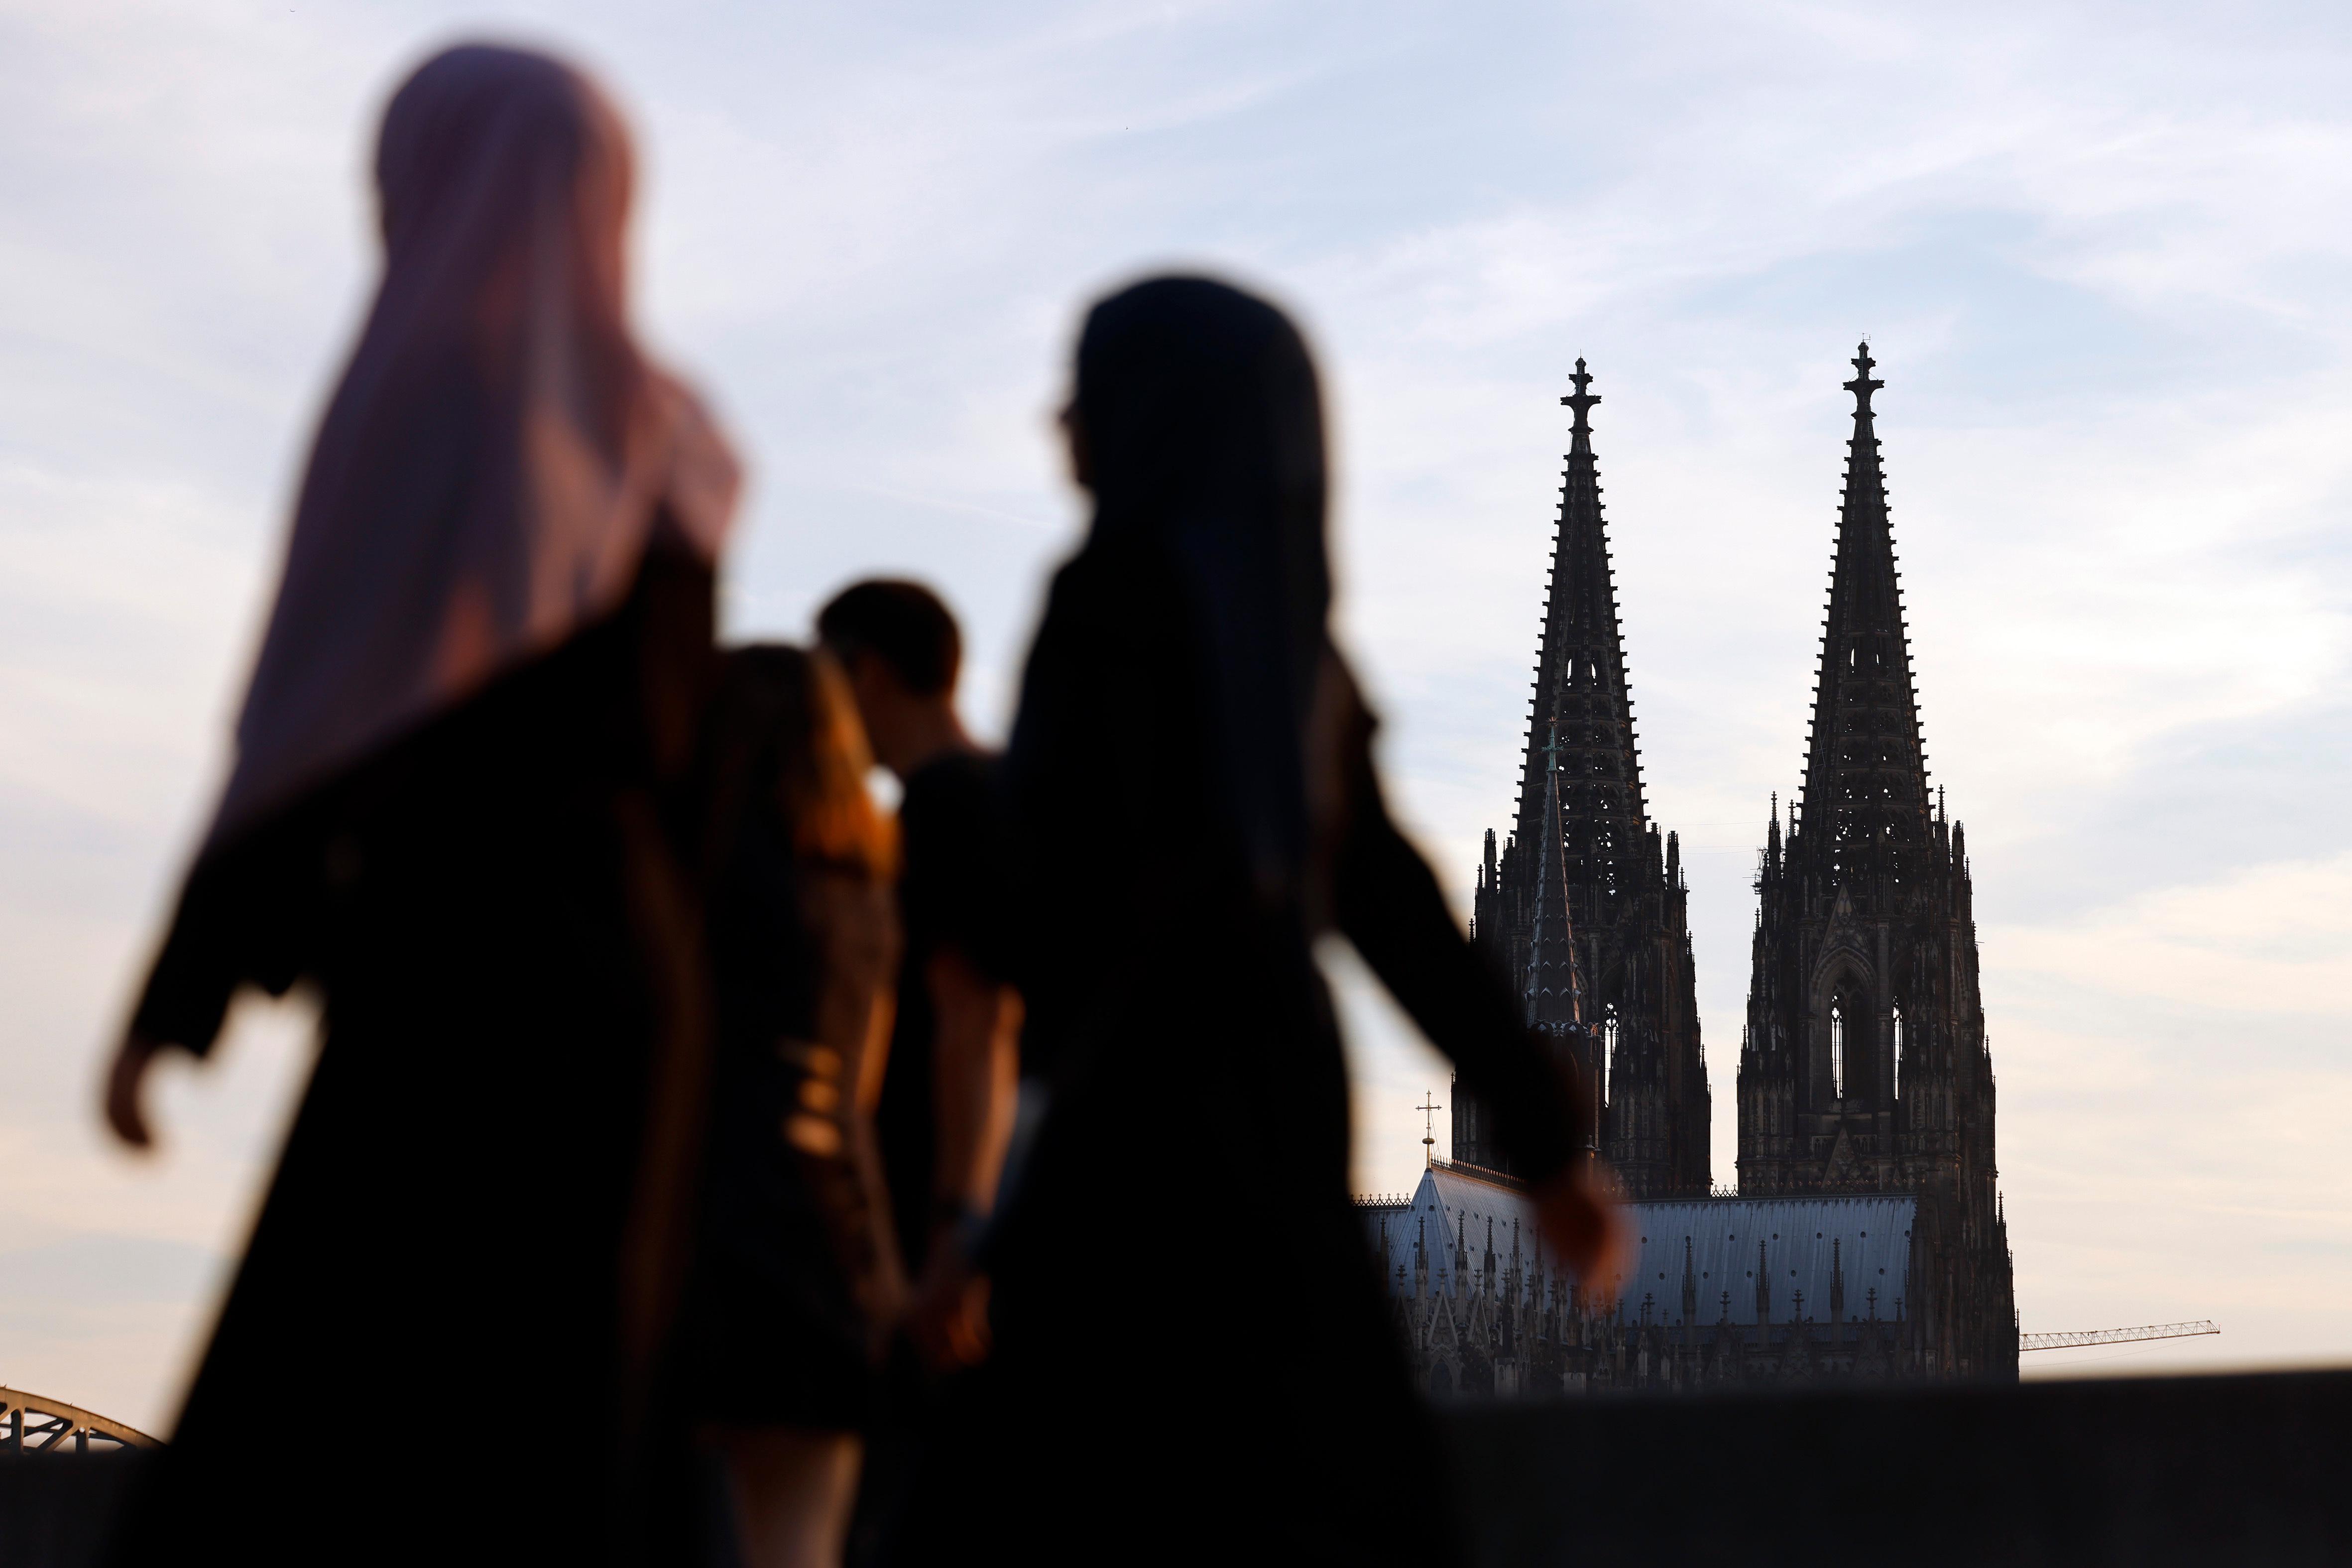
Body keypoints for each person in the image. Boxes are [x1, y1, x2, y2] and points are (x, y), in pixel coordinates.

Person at [100, 45, 739, 1564]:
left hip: (454, 957)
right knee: (566, 1435)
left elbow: (327, 702)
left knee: (323, 1421)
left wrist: (178, 998)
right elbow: (687, 766)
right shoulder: (673, 438)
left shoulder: (436, 384)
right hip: (635, 982)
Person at [933, 276, 1626, 1565]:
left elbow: (1023, 912)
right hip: (1275, 1101)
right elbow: (1395, 908)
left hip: (1122, 1120)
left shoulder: (1103, 606)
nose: (1056, 422)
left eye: (1088, 392)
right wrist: (1545, 1148)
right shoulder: (1292, 651)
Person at [676, 644, 904, 1568]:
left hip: (714, 1225)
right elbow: (859, 1105)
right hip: (828, 1252)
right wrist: (883, 1270)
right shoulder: (869, 904)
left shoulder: (702, 864)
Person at [813, 583, 1022, 1568]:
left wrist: (952, 1233)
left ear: (868, 675)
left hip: (941, 1240)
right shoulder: (1018, 793)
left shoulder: (938, 814)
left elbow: (974, 1025)